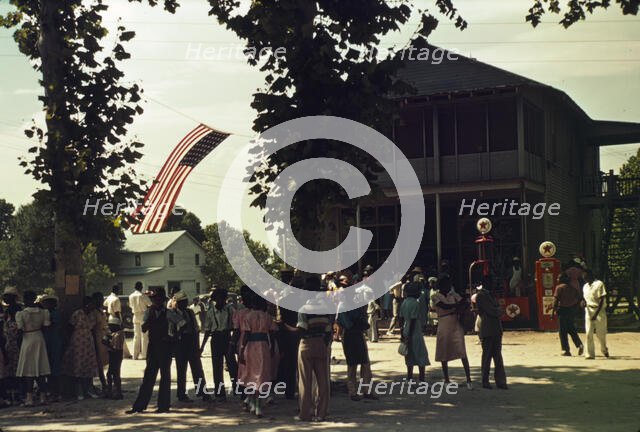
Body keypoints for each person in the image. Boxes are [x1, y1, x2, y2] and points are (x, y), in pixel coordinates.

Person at [127, 287, 172, 414]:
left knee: (165, 377)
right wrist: (150, 321)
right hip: (153, 346)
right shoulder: (149, 312)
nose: (156, 301)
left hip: (165, 346)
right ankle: (139, 406)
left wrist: (172, 336)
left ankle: (164, 406)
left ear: (162, 300)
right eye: (154, 299)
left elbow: (181, 324)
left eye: (158, 299)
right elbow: (144, 328)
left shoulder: (169, 313)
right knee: (149, 377)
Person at [295, 276, 333, 422]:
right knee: (323, 381)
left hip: (306, 345)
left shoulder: (303, 309)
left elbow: (302, 330)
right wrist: (324, 342)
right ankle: (321, 414)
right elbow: (329, 331)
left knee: (305, 381)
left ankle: (305, 413)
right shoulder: (326, 308)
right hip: (321, 344)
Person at [431, 276, 472, 389]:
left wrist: (458, 304)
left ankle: (468, 379)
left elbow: (464, 303)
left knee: (462, 350)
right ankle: (446, 379)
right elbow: (443, 306)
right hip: (444, 323)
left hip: (455, 323)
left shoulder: (453, 295)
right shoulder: (435, 296)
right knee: (444, 351)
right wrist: (457, 305)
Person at [240, 295, 277, 418]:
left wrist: (241, 349)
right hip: (264, 347)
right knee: (261, 374)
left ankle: (254, 403)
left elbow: (246, 334)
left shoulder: (248, 317)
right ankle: (257, 403)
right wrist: (271, 348)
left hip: (251, 347)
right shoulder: (268, 317)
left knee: (252, 374)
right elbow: (271, 334)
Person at [168, 290, 208, 402]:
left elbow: (195, 328)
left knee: (197, 369)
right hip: (180, 343)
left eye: (185, 301)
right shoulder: (172, 313)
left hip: (191, 341)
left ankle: (202, 392)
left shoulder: (190, 312)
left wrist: (197, 346)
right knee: (181, 370)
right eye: (182, 302)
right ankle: (181, 394)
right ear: (178, 303)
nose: (185, 303)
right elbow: (171, 332)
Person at [200, 287, 237, 402]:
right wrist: (202, 346)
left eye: (223, 298)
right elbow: (207, 329)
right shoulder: (211, 312)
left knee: (232, 364)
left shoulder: (230, 310)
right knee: (217, 366)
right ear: (215, 299)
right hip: (215, 338)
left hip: (227, 337)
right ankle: (220, 393)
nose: (221, 301)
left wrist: (234, 341)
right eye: (219, 298)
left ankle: (237, 388)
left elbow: (235, 325)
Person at [15, 290, 51, 406]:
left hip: (27, 339)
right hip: (39, 337)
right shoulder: (43, 312)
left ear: (25, 300)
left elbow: (20, 329)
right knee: (40, 368)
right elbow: (46, 327)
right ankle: (42, 397)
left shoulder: (21, 314)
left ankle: (29, 398)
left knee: (28, 370)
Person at [62, 296, 99, 400]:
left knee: (89, 365)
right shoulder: (77, 314)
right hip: (78, 341)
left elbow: (94, 328)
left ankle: (89, 389)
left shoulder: (92, 315)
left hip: (88, 341)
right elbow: (70, 327)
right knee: (78, 365)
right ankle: (79, 391)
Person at [337, 303, 375, 401]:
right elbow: (347, 324)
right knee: (352, 364)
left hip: (357, 334)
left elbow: (363, 321)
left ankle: (366, 390)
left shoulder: (355, 304)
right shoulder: (343, 306)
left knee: (364, 363)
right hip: (350, 335)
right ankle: (353, 392)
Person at [475, 279, 507, 389]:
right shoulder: (482, 296)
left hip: (494, 328)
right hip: (488, 328)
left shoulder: (488, 295)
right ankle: (486, 381)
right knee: (488, 356)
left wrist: (498, 310)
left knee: (497, 356)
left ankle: (500, 381)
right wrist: (498, 310)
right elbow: (493, 311)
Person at [400, 282, 429, 382]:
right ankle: (422, 379)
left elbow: (401, 319)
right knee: (421, 354)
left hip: (406, 328)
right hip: (415, 331)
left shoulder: (404, 302)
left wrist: (403, 333)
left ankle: (409, 377)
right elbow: (413, 320)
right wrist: (411, 334)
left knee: (409, 355)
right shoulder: (415, 303)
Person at [552, 272, 584, 356]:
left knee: (562, 331)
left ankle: (566, 350)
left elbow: (555, 301)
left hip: (562, 311)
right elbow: (578, 299)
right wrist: (575, 309)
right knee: (571, 329)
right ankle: (579, 344)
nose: (557, 279)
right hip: (571, 311)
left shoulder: (559, 288)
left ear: (562, 279)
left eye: (558, 278)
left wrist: (552, 312)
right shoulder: (572, 288)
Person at [40, 294, 63, 401]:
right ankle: (50, 390)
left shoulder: (55, 314)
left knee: (55, 367)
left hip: (54, 341)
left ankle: (56, 392)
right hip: (46, 341)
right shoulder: (44, 313)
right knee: (48, 367)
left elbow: (51, 325)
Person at [582, 269, 609, 359]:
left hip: (599, 311)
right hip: (588, 310)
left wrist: (596, 314)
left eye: (585, 276)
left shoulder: (599, 284)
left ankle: (604, 349)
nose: (584, 278)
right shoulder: (585, 286)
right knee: (588, 333)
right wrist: (583, 303)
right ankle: (589, 354)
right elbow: (585, 298)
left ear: (590, 275)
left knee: (600, 334)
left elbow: (601, 300)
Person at [105, 285, 132, 359]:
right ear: (116, 290)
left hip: (110, 318)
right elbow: (117, 312)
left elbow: (105, 305)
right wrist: (121, 321)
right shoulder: (116, 299)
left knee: (113, 337)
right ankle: (122, 353)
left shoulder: (109, 297)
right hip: (116, 320)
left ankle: (126, 353)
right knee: (119, 337)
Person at [90, 291, 109, 395]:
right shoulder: (94, 313)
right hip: (96, 338)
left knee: (103, 360)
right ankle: (103, 383)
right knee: (98, 362)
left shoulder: (101, 311)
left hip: (103, 337)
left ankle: (106, 383)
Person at [3, 303, 22, 404]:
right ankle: (15, 394)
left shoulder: (8, 323)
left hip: (11, 347)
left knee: (12, 372)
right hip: (14, 347)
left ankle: (13, 394)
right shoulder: (14, 323)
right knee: (14, 372)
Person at [129, 281, 151, 360]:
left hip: (135, 315)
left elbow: (131, 306)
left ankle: (135, 355)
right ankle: (144, 355)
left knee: (136, 336)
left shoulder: (131, 296)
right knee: (144, 336)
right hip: (143, 315)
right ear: (141, 287)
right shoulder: (142, 295)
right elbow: (150, 304)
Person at [104, 316, 125, 399]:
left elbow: (115, 347)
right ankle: (112, 391)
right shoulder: (116, 333)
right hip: (115, 355)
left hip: (115, 355)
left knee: (113, 374)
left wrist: (107, 342)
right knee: (113, 374)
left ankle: (115, 392)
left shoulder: (118, 335)